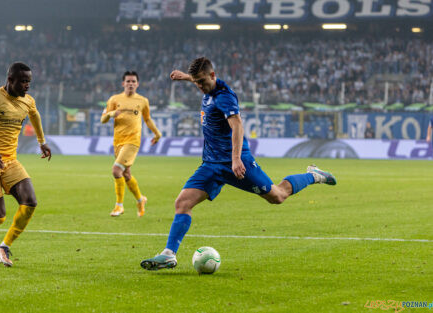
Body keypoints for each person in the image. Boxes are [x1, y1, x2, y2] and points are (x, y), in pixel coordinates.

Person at [140, 57, 336, 271]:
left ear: (213, 76)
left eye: (202, 81)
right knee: (182, 203)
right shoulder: (208, 87)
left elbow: (238, 127)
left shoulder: (224, 98)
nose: (199, 86)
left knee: (278, 196)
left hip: (236, 164)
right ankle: (169, 255)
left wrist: (235, 160)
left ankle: (315, 175)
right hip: (211, 165)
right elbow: (202, 80)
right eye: (196, 82)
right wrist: (186, 77)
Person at [0, 62, 51, 267]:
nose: (27, 85)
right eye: (23, 81)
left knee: (30, 202)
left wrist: (42, 142)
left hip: (10, 161)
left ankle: (3, 247)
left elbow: (35, 115)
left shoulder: (27, 101)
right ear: (10, 80)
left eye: (29, 81)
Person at [100, 71, 161, 217]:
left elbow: (147, 119)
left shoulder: (142, 101)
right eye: (128, 81)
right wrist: (111, 114)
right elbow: (103, 119)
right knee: (126, 174)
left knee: (116, 170)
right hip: (118, 141)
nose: (131, 84)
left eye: (133, 81)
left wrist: (157, 133)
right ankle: (141, 199)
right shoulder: (114, 99)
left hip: (133, 141)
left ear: (137, 84)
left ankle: (119, 206)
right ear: (123, 84)